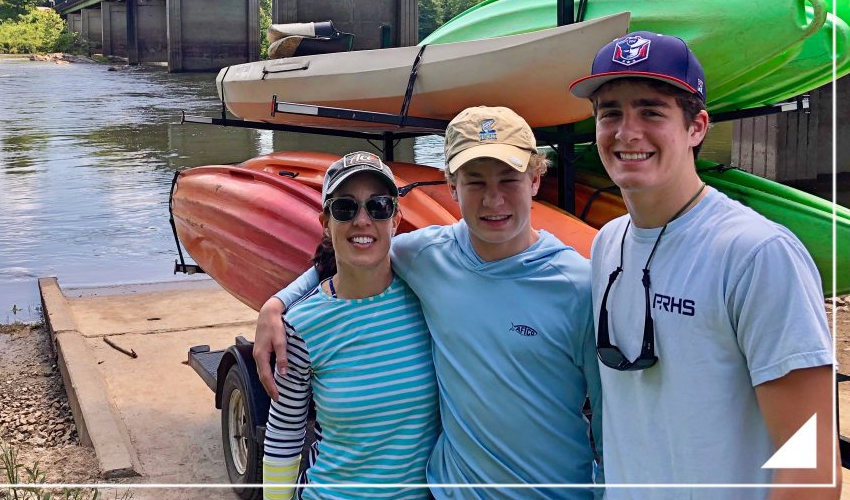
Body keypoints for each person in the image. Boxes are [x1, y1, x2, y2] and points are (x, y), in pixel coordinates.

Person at [256, 107, 603, 500]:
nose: (493, 199)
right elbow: (356, 255)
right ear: (451, 187)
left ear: (536, 180)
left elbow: (613, 422)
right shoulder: (428, 256)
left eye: (509, 179)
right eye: (474, 182)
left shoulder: (579, 285)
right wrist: (278, 303)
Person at [568, 30, 839, 499]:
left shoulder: (757, 254)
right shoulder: (608, 243)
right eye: (610, 113)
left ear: (697, 127)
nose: (626, 132)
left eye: (651, 111)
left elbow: (811, 465)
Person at [261, 151, 439, 500]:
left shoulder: (428, 298)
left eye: (378, 206)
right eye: (345, 208)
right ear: (325, 223)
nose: (362, 220)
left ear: (396, 220)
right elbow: (284, 434)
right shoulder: (300, 325)